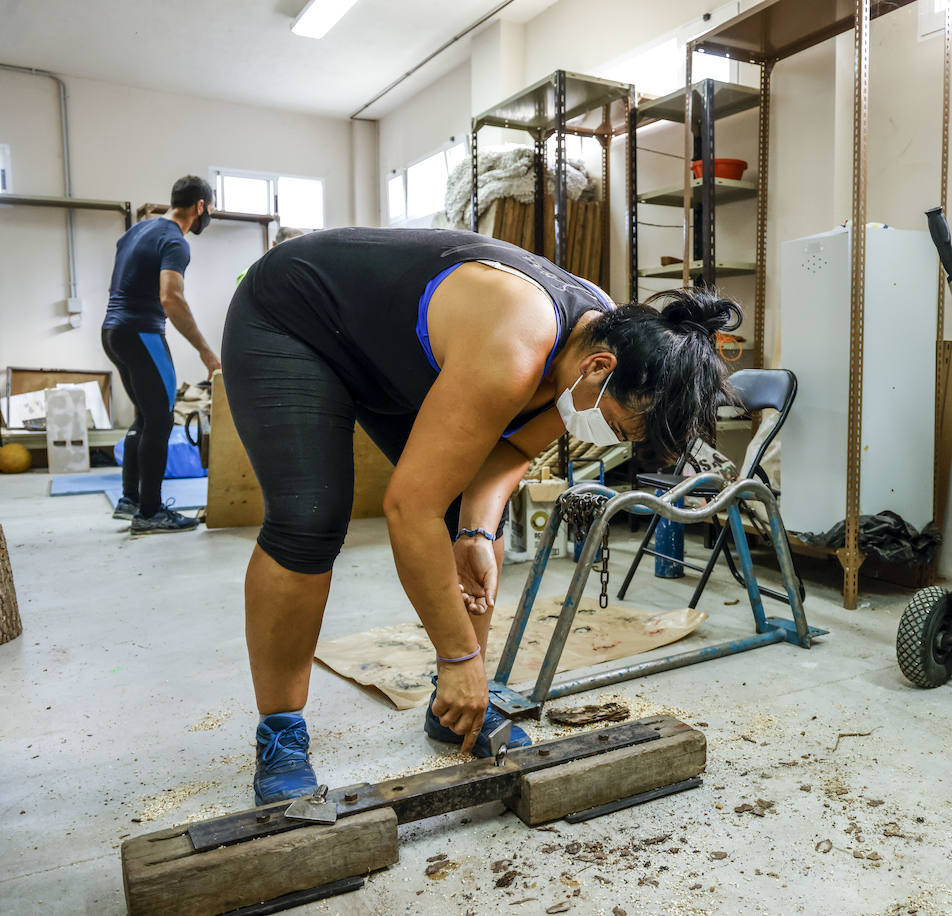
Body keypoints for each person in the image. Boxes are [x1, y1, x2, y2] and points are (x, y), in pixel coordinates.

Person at [222, 228, 740, 804]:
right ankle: (282, 732)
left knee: (461, 517)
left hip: (383, 352)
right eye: (617, 426)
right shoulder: (517, 345)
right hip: (294, 320)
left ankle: (457, 710)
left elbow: (512, 452)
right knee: (310, 518)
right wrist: (458, 655)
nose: (608, 438)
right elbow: (405, 507)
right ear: (598, 366)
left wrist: (475, 528)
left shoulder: (609, 345)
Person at [102, 175, 222, 534]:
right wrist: (206, 351)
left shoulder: (137, 231)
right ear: (200, 206)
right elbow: (171, 298)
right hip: (141, 332)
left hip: (113, 332)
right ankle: (150, 513)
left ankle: (131, 499)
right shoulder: (174, 240)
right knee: (160, 420)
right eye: (210, 208)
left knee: (145, 416)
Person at [235, 226, 303, 285]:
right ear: (274, 244)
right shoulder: (249, 276)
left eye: (299, 248)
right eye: (289, 248)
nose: (295, 254)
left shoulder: (302, 273)